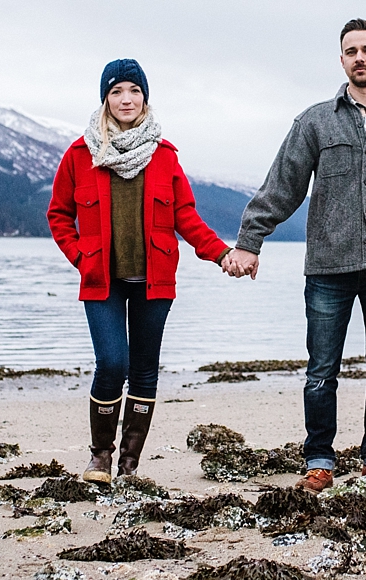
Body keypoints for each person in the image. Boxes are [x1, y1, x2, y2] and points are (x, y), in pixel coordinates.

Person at [223, 19, 366, 492]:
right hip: (327, 266)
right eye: (351, 51)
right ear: (341, 60)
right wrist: (249, 241)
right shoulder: (315, 121)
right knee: (322, 370)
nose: (359, 57)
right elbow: (282, 187)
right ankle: (320, 458)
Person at [49, 58, 232, 483]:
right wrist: (81, 257)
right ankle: (100, 457)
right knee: (113, 363)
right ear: (105, 100)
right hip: (102, 281)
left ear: (145, 97)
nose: (125, 99)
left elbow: (187, 218)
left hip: (155, 281)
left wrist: (221, 253)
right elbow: (58, 214)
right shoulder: (80, 154)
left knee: (145, 369)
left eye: (133, 91)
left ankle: (129, 465)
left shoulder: (165, 157)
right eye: (116, 92)